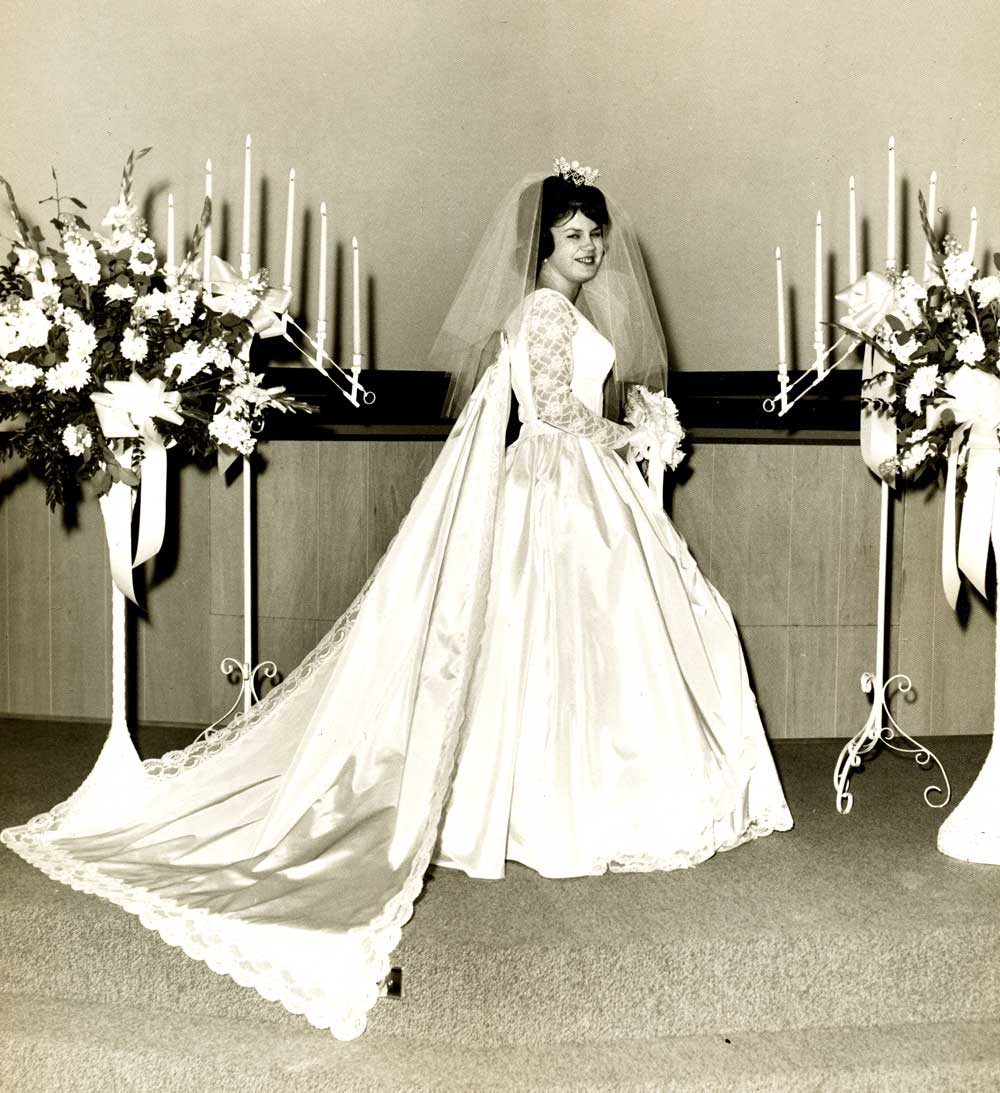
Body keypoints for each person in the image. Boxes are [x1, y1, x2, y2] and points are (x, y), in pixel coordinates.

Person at [1, 161, 791, 1041]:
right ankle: (564, 801)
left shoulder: (556, 310)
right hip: (563, 484)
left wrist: (631, 430)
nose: (591, 247)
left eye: (596, 234)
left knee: (564, 643)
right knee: (572, 638)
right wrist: (637, 431)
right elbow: (560, 413)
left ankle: (533, 797)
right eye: (574, 234)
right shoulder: (544, 310)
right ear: (542, 243)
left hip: (565, 485)